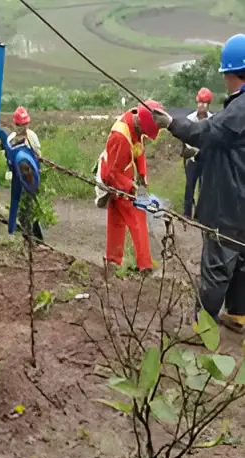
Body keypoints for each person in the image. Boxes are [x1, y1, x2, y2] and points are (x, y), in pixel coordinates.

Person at [152, 34, 245, 332]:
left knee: (217, 264)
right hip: (241, 200)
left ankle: (202, 329)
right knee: (241, 260)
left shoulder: (240, 107)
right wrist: (201, 152)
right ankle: (239, 314)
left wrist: (171, 124)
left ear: (233, 73)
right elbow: (229, 145)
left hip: (229, 201)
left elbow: (207, 132)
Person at [99, 100, 163, 274]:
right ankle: (145, 266)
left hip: (127, 173)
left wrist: (142, 177)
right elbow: (111, 173)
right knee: (137, 217)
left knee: (116, 217)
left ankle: (112, 261)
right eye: (145, 132)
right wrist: (131, 187)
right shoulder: (119, 137)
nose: (145, 134)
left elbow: (138, 149)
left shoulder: (136, 119)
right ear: (141, 123)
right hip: (115, 177)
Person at [10, 106, 44, 240]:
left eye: (25, 124)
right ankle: (28, 234)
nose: (23, 127)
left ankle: (34, 236)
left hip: (31, 177)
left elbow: (39, 155)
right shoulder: (11, 139)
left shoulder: (32, 136)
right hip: (18, 177)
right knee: (21, 206)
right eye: (20, 124)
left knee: (30, 205)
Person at [182, 87, 213, 219]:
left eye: (205, 103)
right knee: (189, 186)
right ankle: (187, 214)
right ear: (197, 102)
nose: (202, 105)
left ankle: (201, 215)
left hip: (206, 160)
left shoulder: (212, 119)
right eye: (200, 102)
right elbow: (186, 138)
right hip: (193, 159)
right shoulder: (190, 119)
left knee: (204, 188)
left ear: (208, 104)